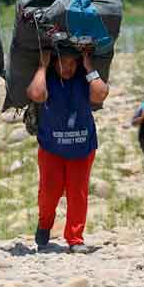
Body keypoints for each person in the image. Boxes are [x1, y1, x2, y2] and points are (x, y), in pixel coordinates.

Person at [27, 49, 109, 254]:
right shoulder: (49, 78)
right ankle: (45, 223)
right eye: (63, 62)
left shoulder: (85, 77)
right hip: (51, 147)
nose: (68, 67)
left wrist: (89, 68)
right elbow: (36, 94)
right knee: (48, 193)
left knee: (77, 193)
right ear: (55, 62)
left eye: (73, 62)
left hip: (83, 147)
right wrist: (42, 66)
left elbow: (100, 94)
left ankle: (75, 238)